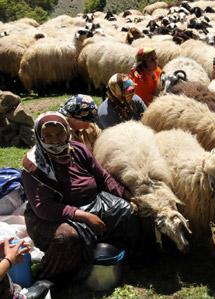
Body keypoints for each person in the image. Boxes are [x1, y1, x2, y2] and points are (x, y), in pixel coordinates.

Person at [22, 111, 142, 280]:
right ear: (39, 136)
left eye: (60, 133)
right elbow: (44, 207)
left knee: (125, 211)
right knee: (68, 237)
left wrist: (127, 195)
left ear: (67, 132)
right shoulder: (34, 166)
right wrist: (85, 217)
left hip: (91, 202)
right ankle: (51, 278)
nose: (55, 140)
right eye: (47, 136)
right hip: (52, 216)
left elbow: (103, 178)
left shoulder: (78, 150)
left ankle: (122, 257)